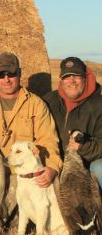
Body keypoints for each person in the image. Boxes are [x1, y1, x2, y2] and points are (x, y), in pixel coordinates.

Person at [0, 52, 62, 189]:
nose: (6, 79)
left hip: (20, 177)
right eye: (1, 75)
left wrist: (52, 168)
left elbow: (48, 140)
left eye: (11, 74)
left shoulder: (35, 104)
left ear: (19, 73)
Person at [44, 57, 102, 189]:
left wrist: (83, 146)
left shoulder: (99, 104)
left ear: (85, 78)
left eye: (77, 76)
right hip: (54, 162)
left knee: (100, 168)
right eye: (67, 76)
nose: (72, 81)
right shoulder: (48, 101)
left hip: (86, 164)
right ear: (61, 80)